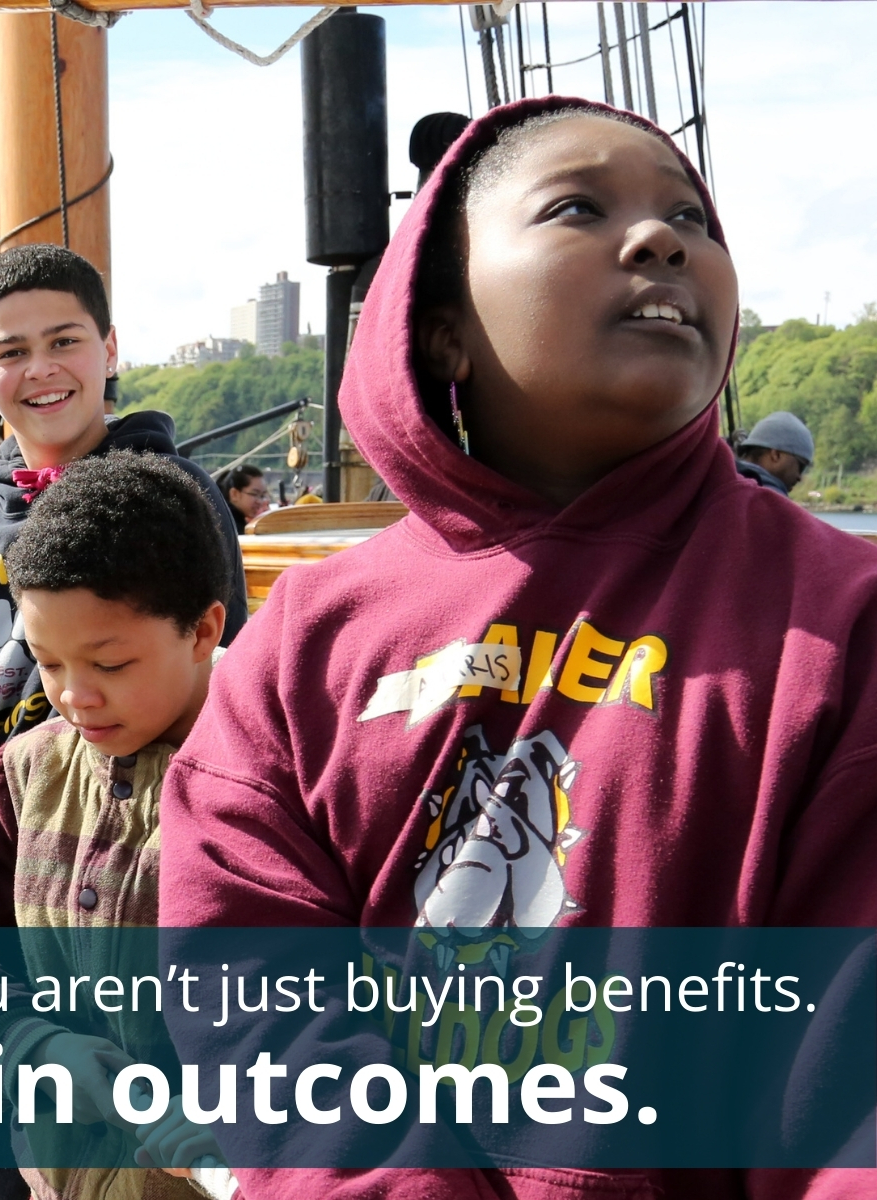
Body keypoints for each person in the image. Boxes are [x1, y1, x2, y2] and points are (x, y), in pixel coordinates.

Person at [158, 97, 877, 1197]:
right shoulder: (303, 643)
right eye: (578, 207)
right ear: (441, 325)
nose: (661, 239)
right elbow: (251, 991)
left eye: (691, 215)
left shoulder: (841, 623)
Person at [0, 243, 246, 1200]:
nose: (41, 367)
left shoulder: (172, 509)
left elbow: (201, 701)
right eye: (10, 350)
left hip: (101, 900)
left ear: (110, 349)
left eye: (64, 340)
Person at [0, 453, 227, 1200]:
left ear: (204, 630)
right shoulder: (19, 780)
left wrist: (244, 1110)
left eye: (109, 663)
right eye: (47, 662)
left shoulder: (281, 779)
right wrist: (32, 1047)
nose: (74, 696)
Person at [735, 410, 813, 496]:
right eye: (801, 466)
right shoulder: (773, 502)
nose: (799, 477)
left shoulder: (724, 483)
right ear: (776, 455)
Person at [213, 462, 270, 528]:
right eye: (254, 494)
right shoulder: (229, 526)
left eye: (262, 496)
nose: (260, 501)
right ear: (234, 494)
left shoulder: (220, 515)